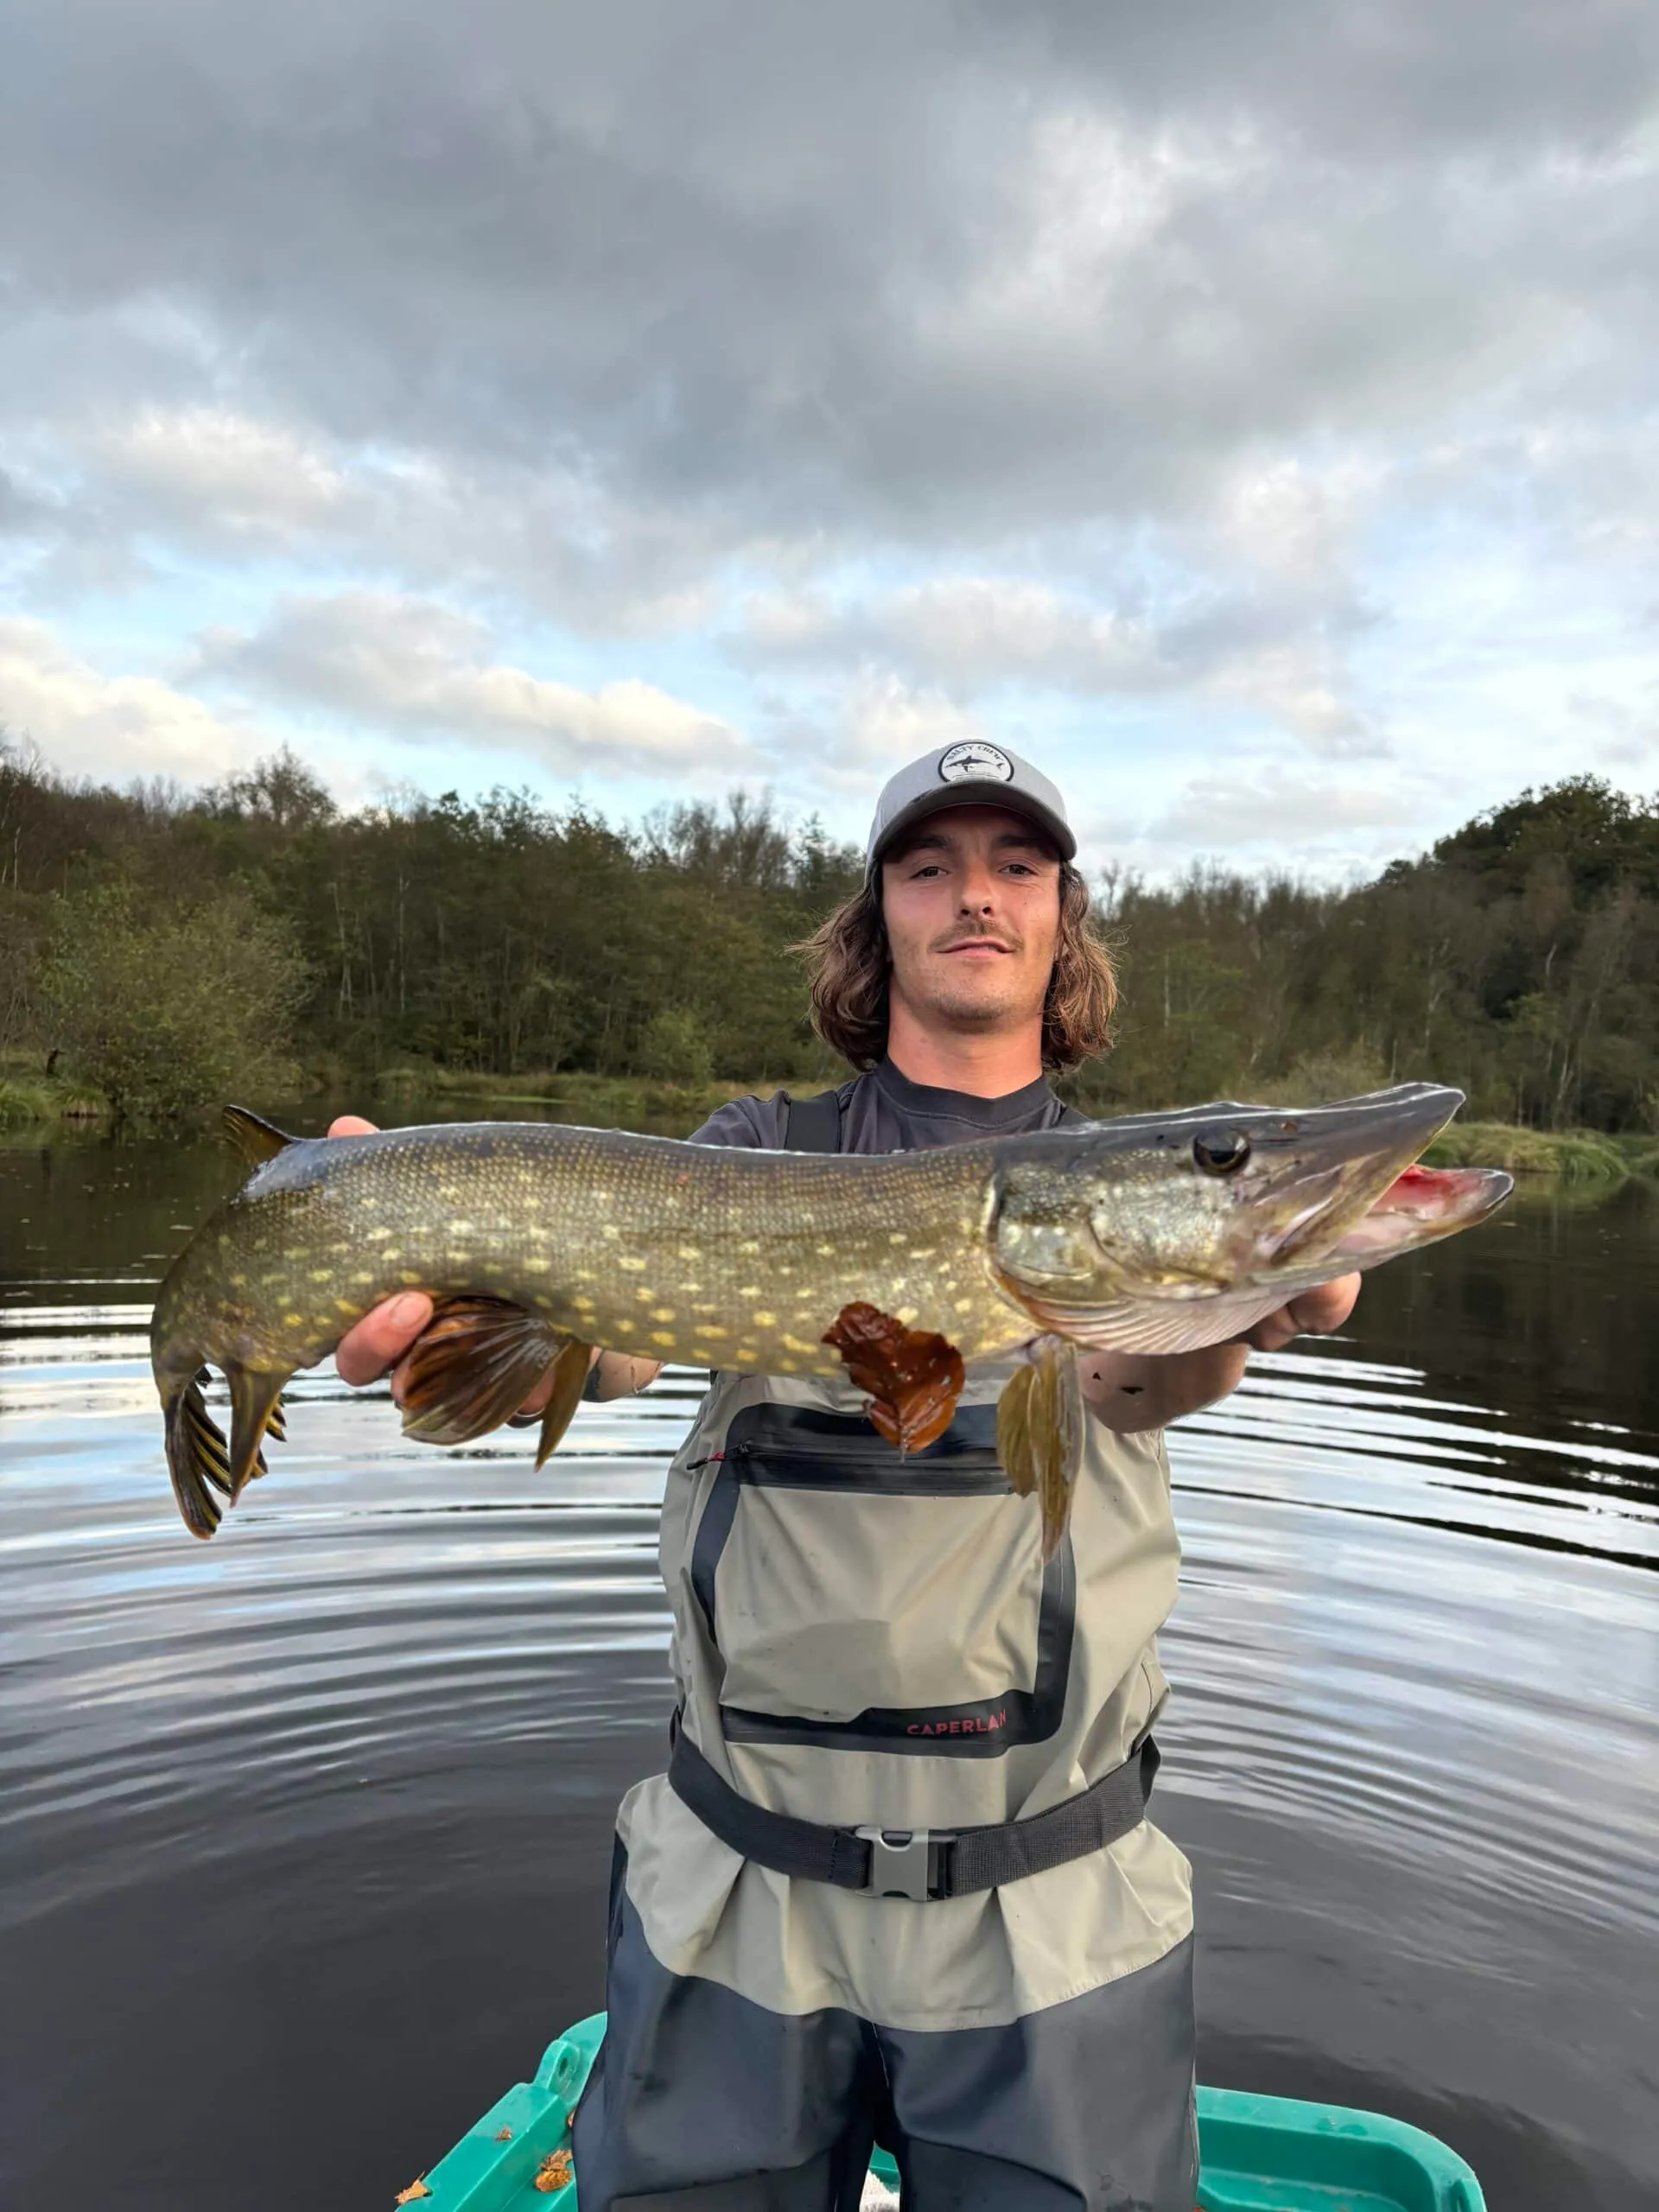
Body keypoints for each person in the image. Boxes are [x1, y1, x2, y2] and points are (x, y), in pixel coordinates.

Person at [333, 743, 1358, 2209]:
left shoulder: (1136, 1180)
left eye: (1018, 864)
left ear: (1067, 919)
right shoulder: (760, 1150)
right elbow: (624, 1349)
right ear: (877, 923)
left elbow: (1133, 1382)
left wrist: (1229, 1307)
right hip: (737, 1892)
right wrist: (474, 1298)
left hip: (1050, 1907)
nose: (975, 896)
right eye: (928, 866)